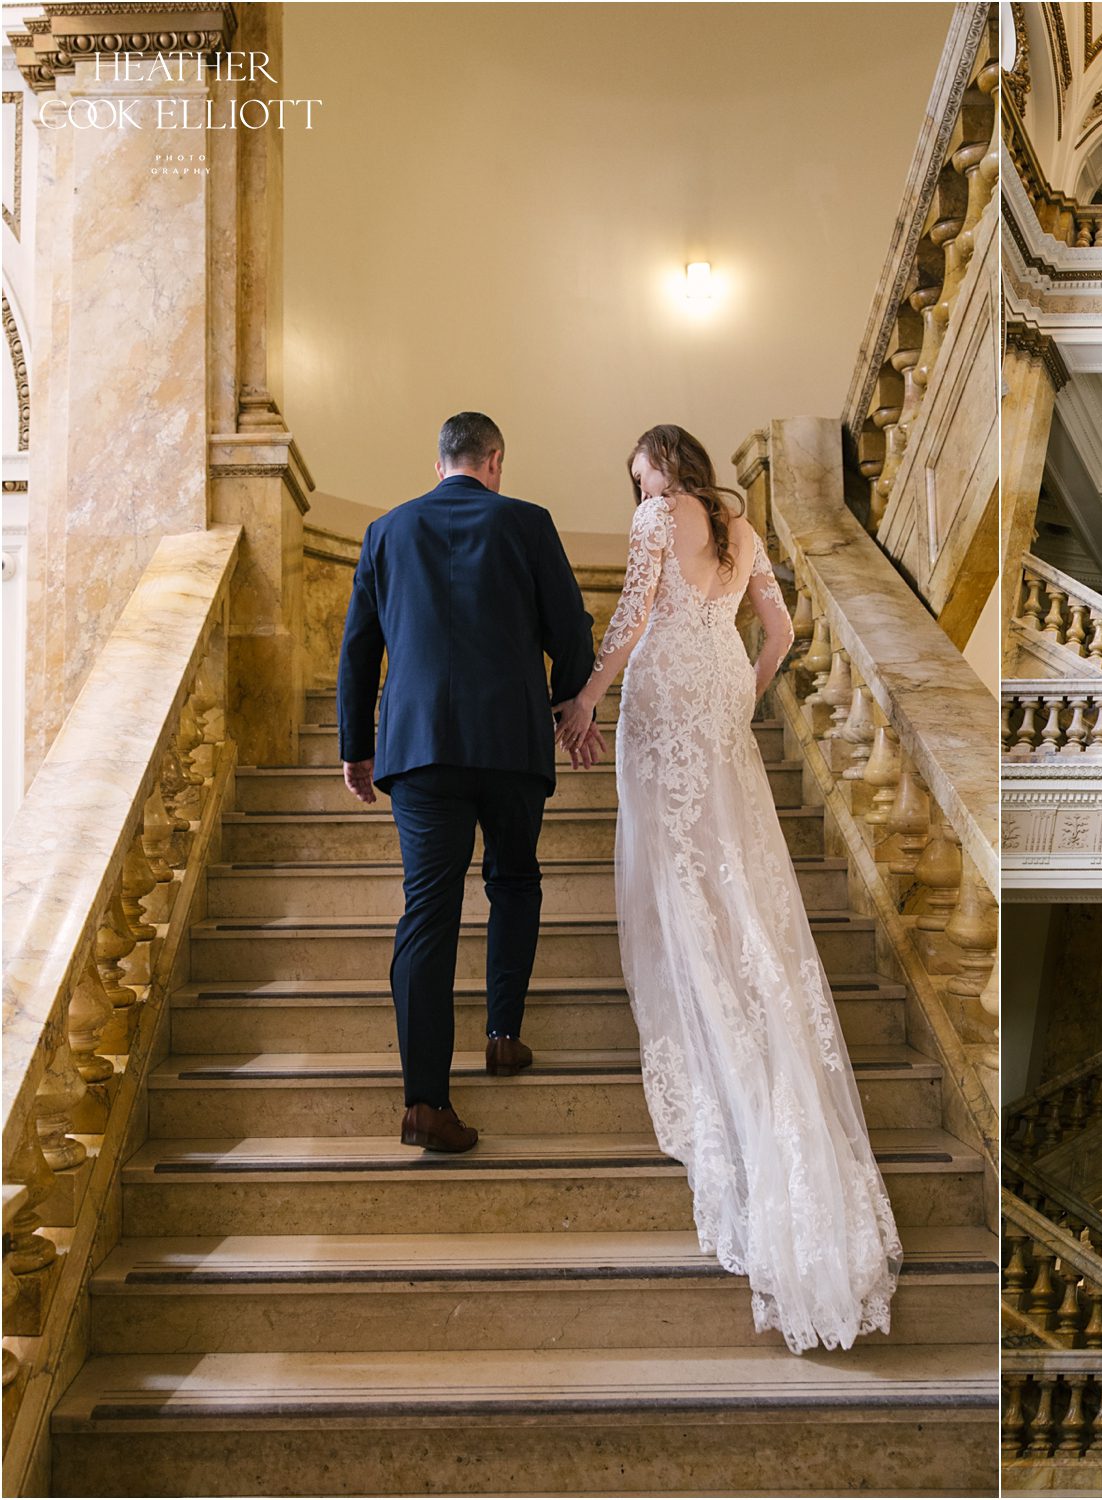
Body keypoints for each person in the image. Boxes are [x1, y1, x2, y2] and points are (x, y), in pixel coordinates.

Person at [555, 424, 901, 1354]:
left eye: (641, 475)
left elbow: (632, 618)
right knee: (733, 868)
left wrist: (586, 696)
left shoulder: (657, 519)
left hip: (665, 694)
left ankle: (704, 1004)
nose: (641, 492)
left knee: (675, 867)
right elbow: (780, 634)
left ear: (663, 466)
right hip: (717, 696)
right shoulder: (742, 529)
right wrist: (743, 694)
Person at [337, 412, 603, 1153]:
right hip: (512, 743)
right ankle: (503, 1035)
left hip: (419, 749)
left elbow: (358, 649)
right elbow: (571, 627)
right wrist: (570, 703)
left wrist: (357, 746)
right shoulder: (527, 522)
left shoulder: (386, 531)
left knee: (428, 912)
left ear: (439, 465)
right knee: (513, 880)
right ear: (494, 462)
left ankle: (426, 1103)